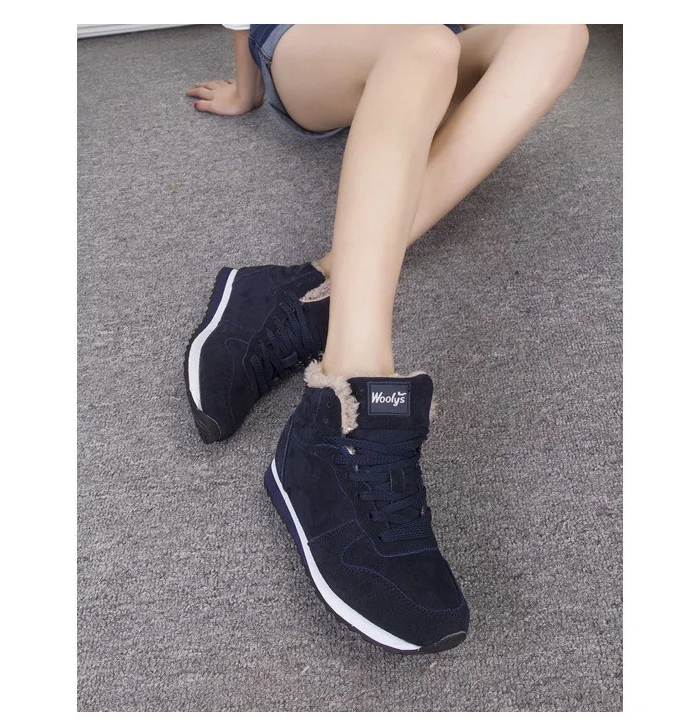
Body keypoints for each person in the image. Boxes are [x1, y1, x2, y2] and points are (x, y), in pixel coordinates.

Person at [184, 24, 589, 653]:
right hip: (315, 42)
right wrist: (245, 85)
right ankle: (347, 396)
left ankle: (318, 287)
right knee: (423, 43)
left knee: (557, 30)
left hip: (439, 42)